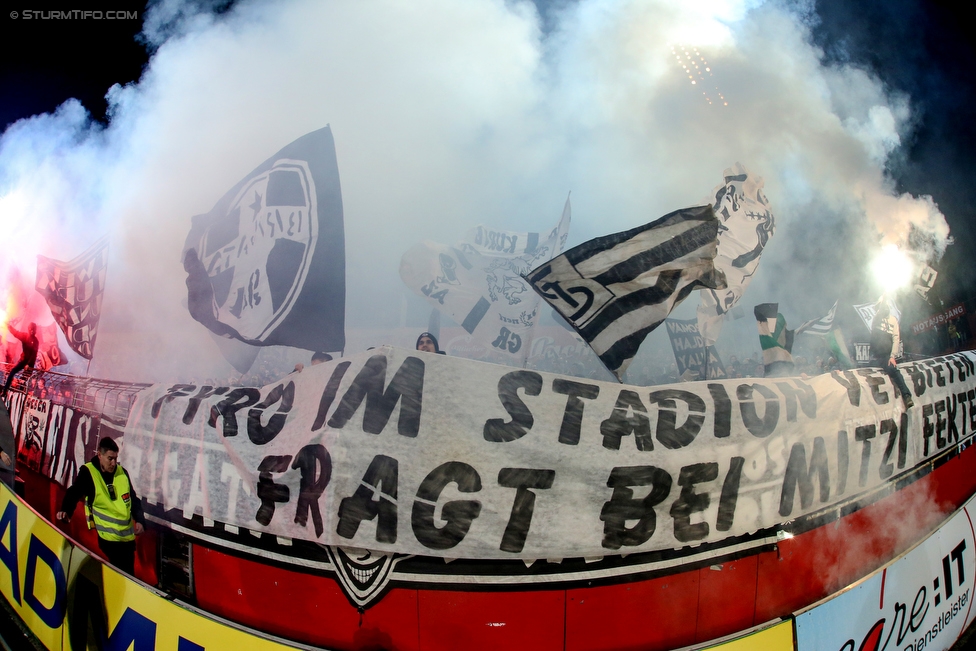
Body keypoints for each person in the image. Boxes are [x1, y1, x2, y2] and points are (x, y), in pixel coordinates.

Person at [57, 437, 145, 574]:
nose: (113, 463)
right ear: (99, 455)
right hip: (108, 540)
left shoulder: (122, 472)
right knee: (119, 576)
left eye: (116, 458)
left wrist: (140, 520)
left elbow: (133, 499)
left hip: (127, 540)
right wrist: (66, 510)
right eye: (110, 458)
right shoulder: (89, 473)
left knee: (127, 576)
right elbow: (74, 491)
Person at [870, 301, 913, 409]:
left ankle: (907, 396)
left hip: (886, 355)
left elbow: (896, 339)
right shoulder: (876, 318)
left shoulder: (893, 320)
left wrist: (892, 356)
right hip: (875, 355)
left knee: (893, 369)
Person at [2, 322, 38, 397]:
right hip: (23, 360)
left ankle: (20, 396)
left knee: (24, 380)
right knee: (12, 372)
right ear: (28, 329)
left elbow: (33, 355)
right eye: (31, 329)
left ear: (35, 330)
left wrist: (28, 364)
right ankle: (5, 391)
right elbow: (16, 333)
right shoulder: (25, 336)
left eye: (33, 329)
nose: (32, 331)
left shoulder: (35, 341)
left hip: (30, 363)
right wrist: (9, 326)